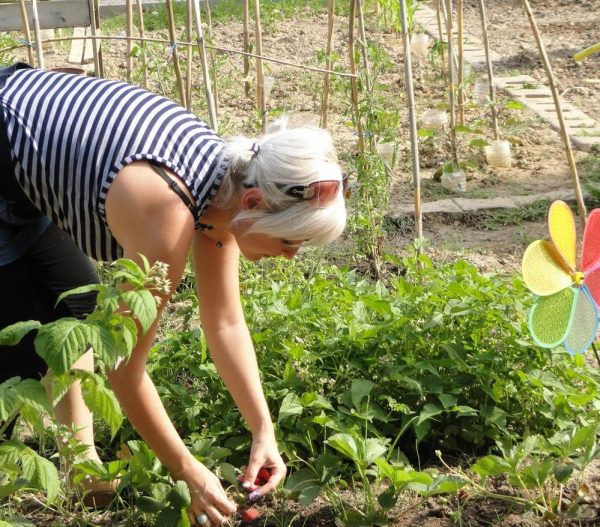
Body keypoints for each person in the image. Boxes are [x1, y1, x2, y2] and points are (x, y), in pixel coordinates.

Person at [0, 63, 347, 525]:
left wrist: (263, 429)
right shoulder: (166, 207)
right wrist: (186, 470)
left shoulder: (222, 189)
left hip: (19, 161)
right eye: (290, 241)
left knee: (76, 320)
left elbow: (224, 322)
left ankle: (86, 481)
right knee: (15, 357)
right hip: (7, 146)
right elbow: (124, 367)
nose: (290, 257)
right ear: (254, 204)